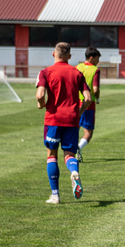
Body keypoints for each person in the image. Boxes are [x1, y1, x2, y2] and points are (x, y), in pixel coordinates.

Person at [36, 42, 91, 204]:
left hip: (53, 120)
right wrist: (79, 112)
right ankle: (74, 172)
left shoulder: (46, 72)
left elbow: (40, 95)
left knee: (52, 155)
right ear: (69, 56)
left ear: (54, 54)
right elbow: (88, 98)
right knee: (69, 155)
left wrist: (41, 104)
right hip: (72, 120)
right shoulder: (77, 73)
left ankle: (55, 195)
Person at [75, 47, 101, 162]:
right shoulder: (95, 70)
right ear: (91, 58)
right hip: (88, 103)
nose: (98, 61)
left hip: (75, 102)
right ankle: (78, 148)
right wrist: (98, 98)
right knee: (88, 132)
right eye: (97, 59)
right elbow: (95, 89)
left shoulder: (77, 67)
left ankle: (70, 150)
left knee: (75, 128)